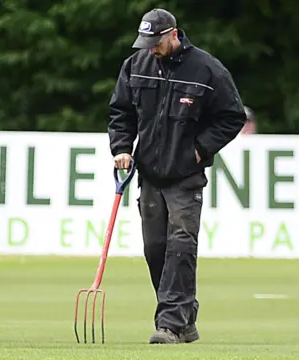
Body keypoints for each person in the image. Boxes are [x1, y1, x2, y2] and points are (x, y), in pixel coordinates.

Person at [107, 8, 246, 344]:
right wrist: (121, 147)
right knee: (155, 248)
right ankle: (184, 319)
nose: (150, 48)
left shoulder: (208, 69)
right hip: (150, 172)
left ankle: (169, 324)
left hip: (186, 175)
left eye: (155, 42)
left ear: (174, 34)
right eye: (146, 42)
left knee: (180, 247)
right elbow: (120, 112)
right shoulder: (135, 66)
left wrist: (199, 151)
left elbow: (232, 117)